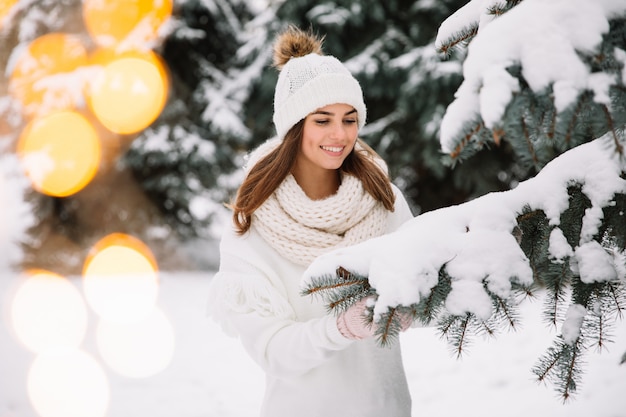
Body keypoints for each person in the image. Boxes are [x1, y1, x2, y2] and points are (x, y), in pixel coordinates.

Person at [208, 25, 414, 417]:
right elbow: (271, 350)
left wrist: (411, 309)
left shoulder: (382, 198)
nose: (340, 134)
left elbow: (424, 295)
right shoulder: (252, 221)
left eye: (350, 119)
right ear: (294, 125)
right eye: (323, 120)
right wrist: (340, 329)